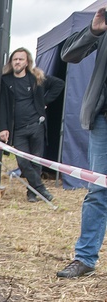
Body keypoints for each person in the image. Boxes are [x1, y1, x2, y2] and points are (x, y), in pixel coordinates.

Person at [57, 8, 107, 278]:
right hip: (103, 120)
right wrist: (94, 30)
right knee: (98, 190)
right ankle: (85, 258)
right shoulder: (103, 24)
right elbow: (69, 54)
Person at [0, 47, 64, 203]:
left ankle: (31, 193)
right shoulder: (5, 81)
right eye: (15, 59)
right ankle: (41, 190)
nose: (18, 62)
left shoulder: (36, 78)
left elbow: (59, 84)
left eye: (21, 59)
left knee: (36, 161)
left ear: (27, 62)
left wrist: (44, 102)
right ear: (11, 62)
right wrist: (3, 127)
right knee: (23, 162)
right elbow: (2, 106)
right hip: (17, 129)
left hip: (36, 126)